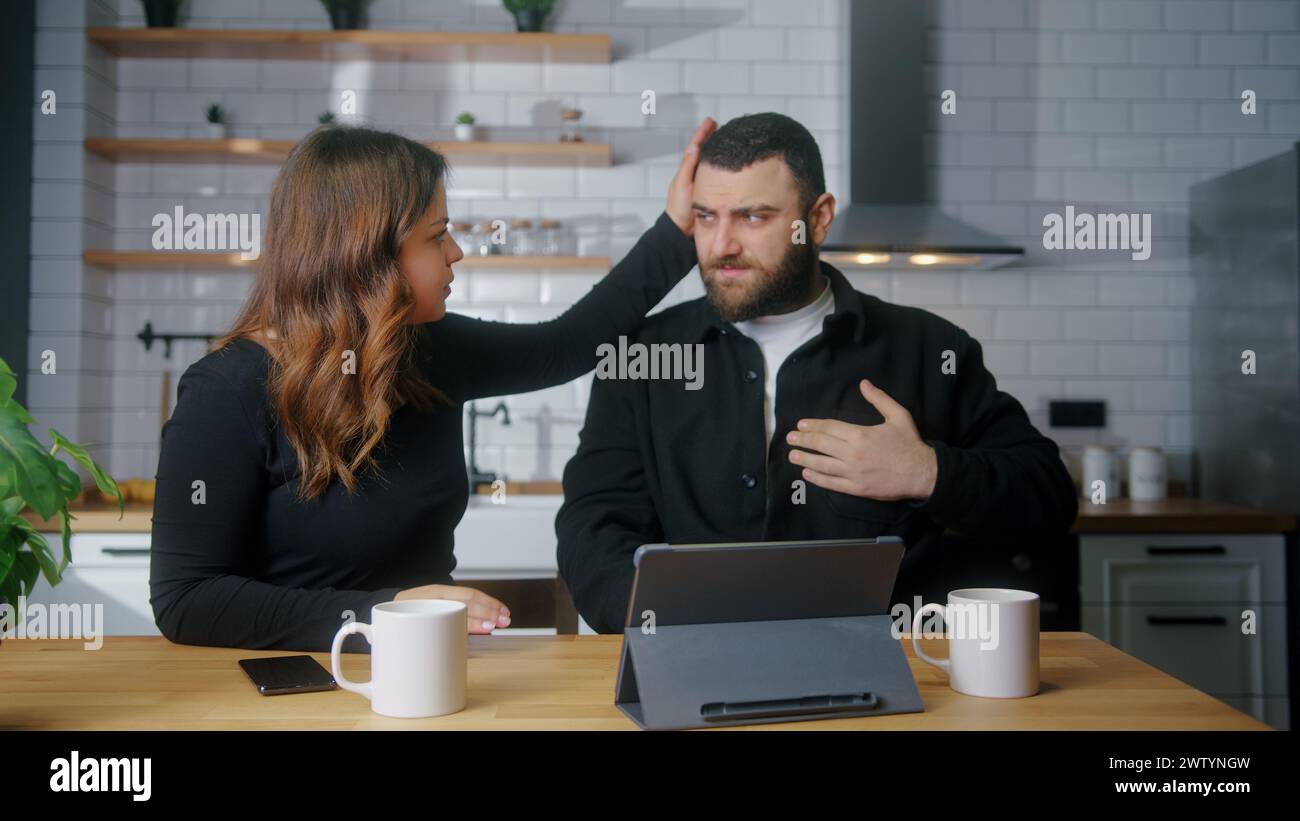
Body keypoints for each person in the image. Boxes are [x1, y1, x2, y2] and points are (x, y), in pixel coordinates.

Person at [149, 118, 717, 651]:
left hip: (426, 673)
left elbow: (567, 345)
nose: (456, 252)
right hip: (289, 690)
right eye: (437, 235)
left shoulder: (429, 352)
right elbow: (187, 600)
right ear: (366, 254)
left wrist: (677, 232)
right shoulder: (228, 391)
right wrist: (385, 613)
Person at [556, 113, 1078, 633]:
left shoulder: (930, 350)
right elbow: (593, 522)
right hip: (688, 656)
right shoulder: (641, 357)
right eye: (706, 217)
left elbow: (1048, 499)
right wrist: (654, 621)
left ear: (819, 218)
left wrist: (927, 473)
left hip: (889, 679)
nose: (721, 246)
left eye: (753, 217)